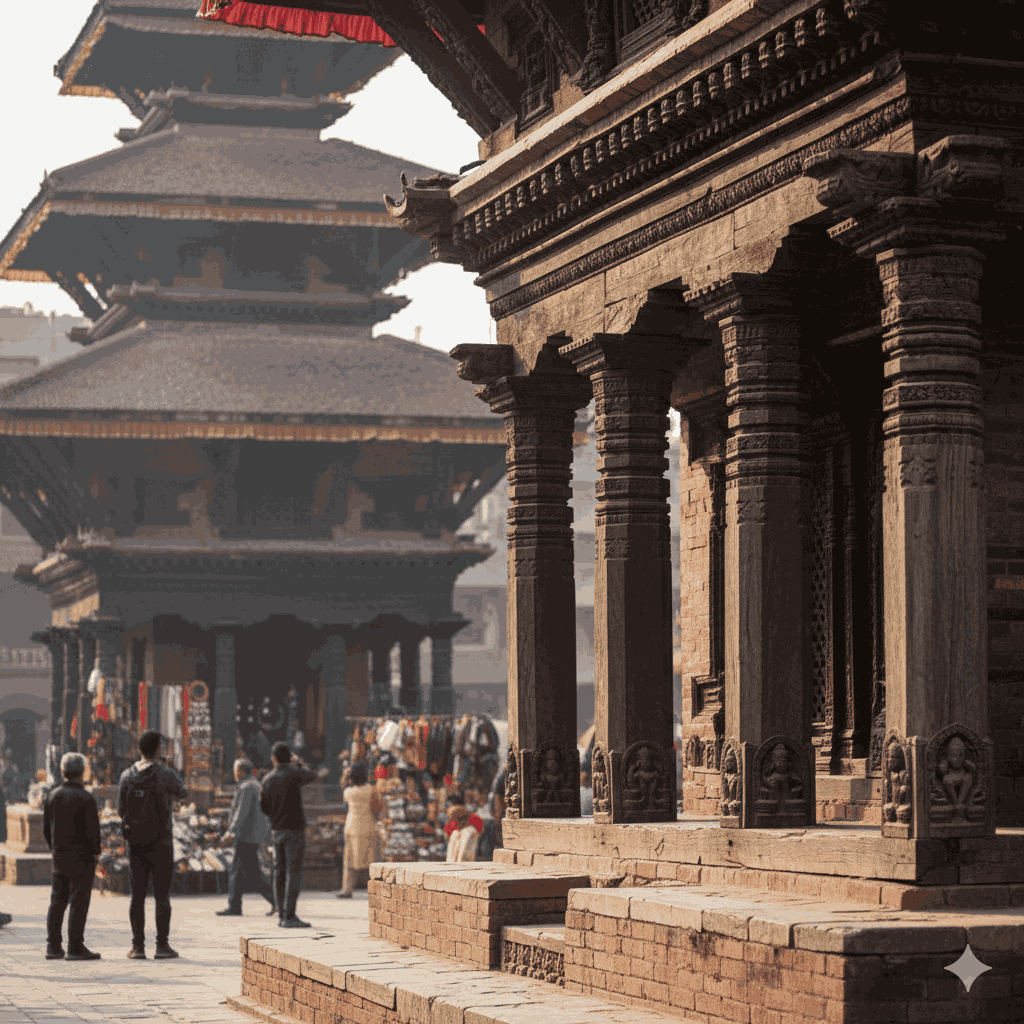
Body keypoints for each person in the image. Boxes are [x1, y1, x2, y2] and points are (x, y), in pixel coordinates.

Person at [117, 730, 188, 960]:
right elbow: (183, 792)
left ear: (139, 749)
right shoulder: (165, 773)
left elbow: (120, 810)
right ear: (158, 750)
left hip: (135, 844)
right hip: (161, 842)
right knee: (161, 896)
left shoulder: (126, 776)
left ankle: (137, 947)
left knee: (137, 896)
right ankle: (162, 946)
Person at [259, 742, 326, 928]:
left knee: (279, 872)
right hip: (295, 830)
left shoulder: (267, 779)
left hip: (277, 831)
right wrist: (300, 762)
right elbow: (312, 774)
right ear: (289, 758)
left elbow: (264, 808)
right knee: (293, 873)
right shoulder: (294, 774)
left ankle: (281, 914)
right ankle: (290, 915)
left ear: (273, 758)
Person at [42, 752, 102, 961]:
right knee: (79, 900)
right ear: (82, 772)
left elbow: (46, 829)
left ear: (63, 771)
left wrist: (54, 848)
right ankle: (75, 946)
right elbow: (93, 831)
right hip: (82, 857)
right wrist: (96, 851)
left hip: (60, 855)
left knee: (57, 900)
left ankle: (53, 946)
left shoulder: (52, 795)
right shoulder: (86, 798)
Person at [216, 758, 276, 917]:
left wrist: (231, 831)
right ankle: (235, 905)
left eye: (235, 770)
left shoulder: (247, 787)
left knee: (248, 872)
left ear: (241, 771)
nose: (234, 773)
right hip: (251, 834)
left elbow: (241, 812)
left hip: (246, 835)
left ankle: (274, 901)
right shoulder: (254, 784)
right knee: (243, 871)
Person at [336, 761, 382, 898]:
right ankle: (377, 889)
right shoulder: (372, 790)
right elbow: (378, 808)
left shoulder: (348, 792)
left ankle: (347, 889)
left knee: (349, 860)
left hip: (351, 826)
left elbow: (343, 784)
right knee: (374, 860)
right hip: (369, 826)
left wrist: (346, 774)